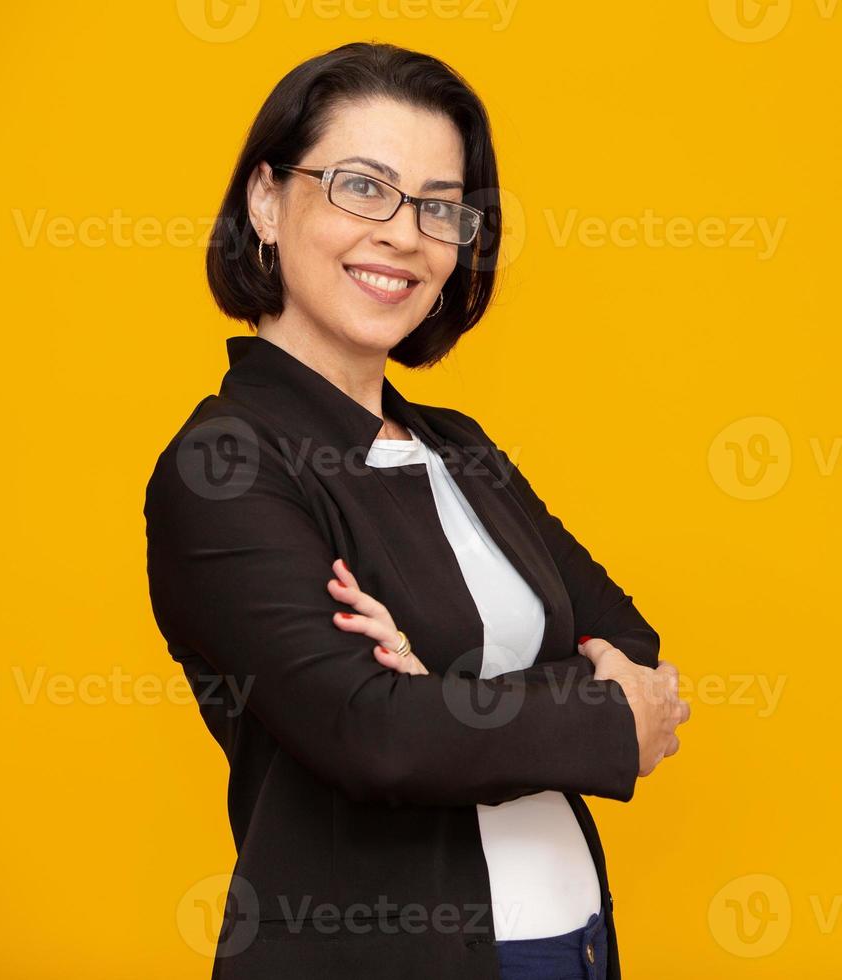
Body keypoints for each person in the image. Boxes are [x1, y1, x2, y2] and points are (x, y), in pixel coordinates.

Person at [143, 41, 689, 980]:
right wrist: (576, 716)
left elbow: (633, 650)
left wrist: (436, 693)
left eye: (440, 204)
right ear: (266, 201)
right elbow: (370, 738)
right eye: (362, 186)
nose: (403, 233)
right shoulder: (222, 465)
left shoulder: (458, 444)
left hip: (577, 946)